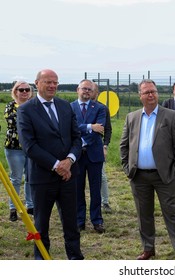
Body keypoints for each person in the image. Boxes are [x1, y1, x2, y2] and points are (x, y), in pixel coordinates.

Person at [17, 69, 84, 260]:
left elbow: (76, 138)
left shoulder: (65, 106)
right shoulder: (26, 110)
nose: (53, 86)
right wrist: (57, 165)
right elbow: (29, 146)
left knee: (71, 223)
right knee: (41, 225)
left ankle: (75, 258)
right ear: (37, 83)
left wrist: (69, 161)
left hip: (68, 176)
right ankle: (42, 260)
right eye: (48, 82)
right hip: (42, 177)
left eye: (55, 82)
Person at [120, 79, 175, 260]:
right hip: (139, 176)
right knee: (144, 215)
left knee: (171, 213)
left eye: (154, 91)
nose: (151, 95)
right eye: (147, 92)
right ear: (140, 96)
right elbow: (124, 146)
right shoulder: (132, 117)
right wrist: (128, 168)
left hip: (164, 176)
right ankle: (148, 249)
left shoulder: (170, 116)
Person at [70, 79, 106, 234]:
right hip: (76, 155)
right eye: (83, 89)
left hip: (94, 154)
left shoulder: (100, 108)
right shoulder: (69, 107)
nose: (86, 92)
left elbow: (100, 128)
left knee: (95, 190)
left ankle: (97, 220)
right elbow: (69, 128)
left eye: (89, 90)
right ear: (78, 89)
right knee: (77, 190)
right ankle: (79, 221)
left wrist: (84, 132)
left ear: (93, 92)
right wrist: (90, 126)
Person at [4, 81, 34, 221]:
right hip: (14, 148)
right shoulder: (10, 106)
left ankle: (30, 205)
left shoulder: (34, 106)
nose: (24, 92)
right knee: (15, 179)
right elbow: (14, 122)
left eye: (27, 89)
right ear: (15, 91)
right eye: (21, 90)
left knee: (30, 177)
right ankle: (13, 208)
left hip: (31, 148)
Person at [91, 82, 113, 213]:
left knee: (102, 176)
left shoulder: (103, 109)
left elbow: (108, 129)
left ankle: (105, 202)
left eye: (91, 90)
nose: (88, 92)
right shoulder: (77, 108)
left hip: (97, 147)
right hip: (81, 148)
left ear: (97, 93)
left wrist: (105, 145)